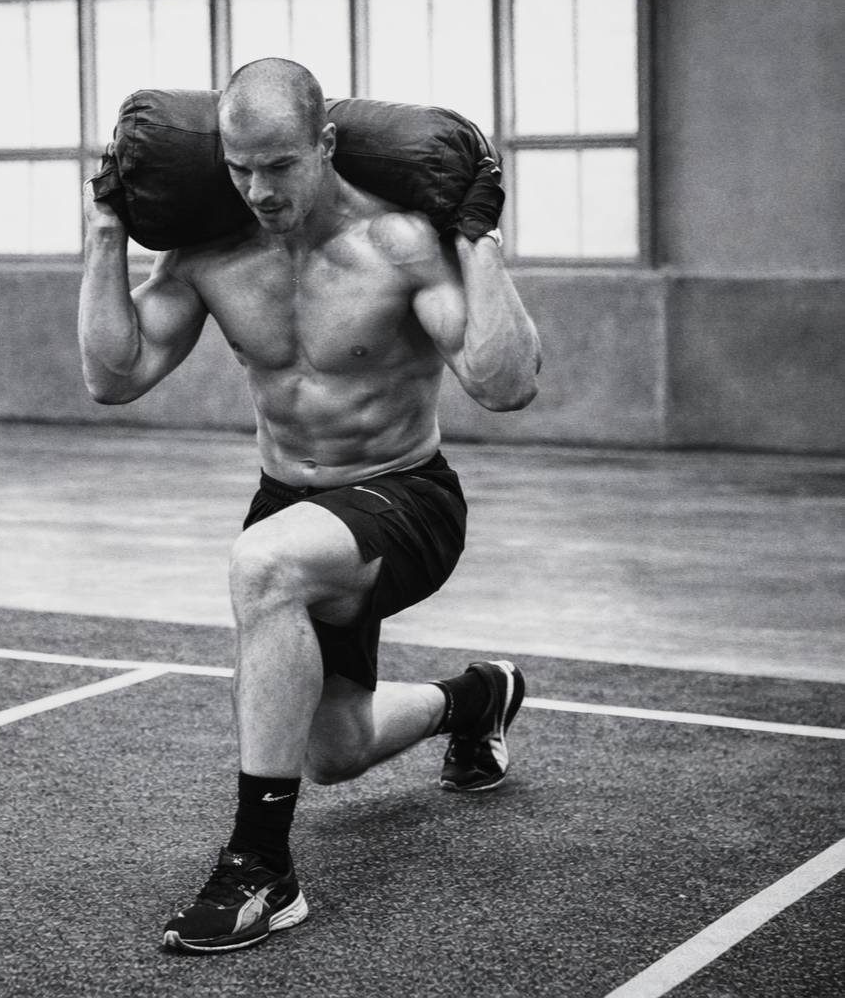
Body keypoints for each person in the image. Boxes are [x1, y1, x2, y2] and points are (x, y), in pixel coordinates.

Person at [79, 58, 541, 954]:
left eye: (280, 165)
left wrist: (478, 242)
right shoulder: (211, 257)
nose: (257, 189)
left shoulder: (399, 244)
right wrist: (105, 234)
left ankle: (260, 868)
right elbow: (114, 376)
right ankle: (476, 698)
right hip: (292, 498)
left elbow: (505, 383)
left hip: (406, 497)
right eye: (238, 166)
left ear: (325, 143)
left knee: (264, 565)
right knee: (333, 751)